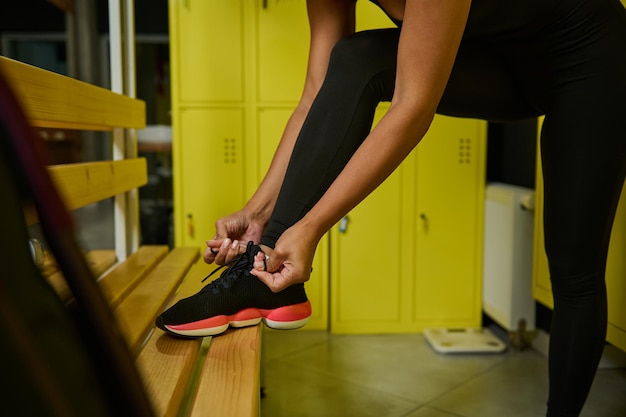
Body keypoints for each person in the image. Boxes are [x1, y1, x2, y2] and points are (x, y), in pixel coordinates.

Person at [157, 0, 626, 415]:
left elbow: (412, 105)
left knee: (574, 272)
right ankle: (266, 272)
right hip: (500, 62)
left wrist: (314, 225)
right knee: (354, 58)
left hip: (587, 60)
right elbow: (316, 94)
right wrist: (259, 214)